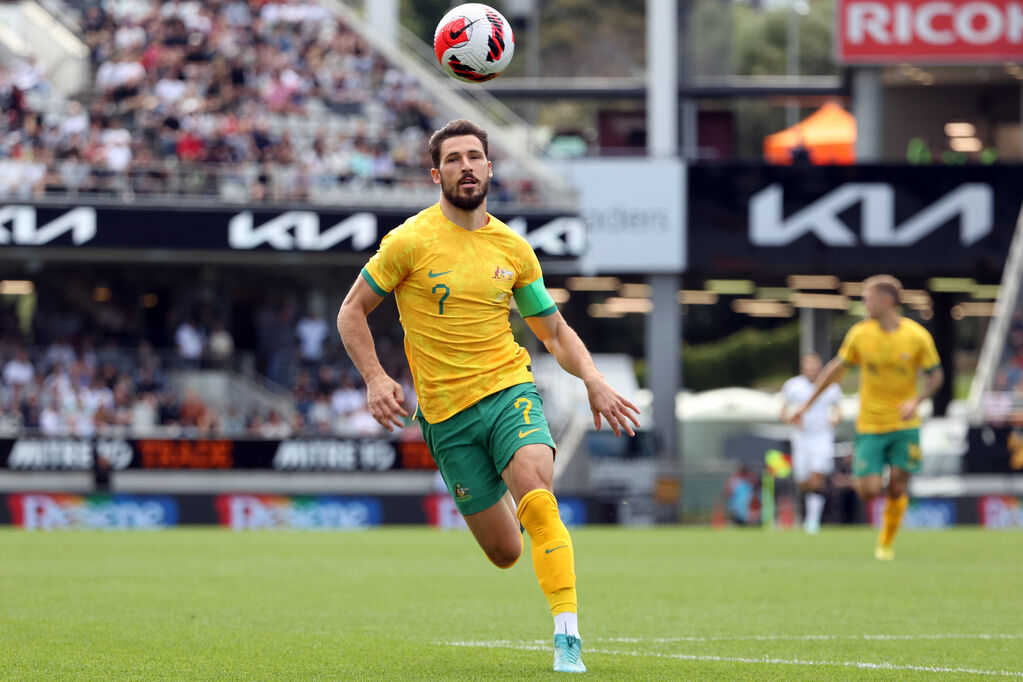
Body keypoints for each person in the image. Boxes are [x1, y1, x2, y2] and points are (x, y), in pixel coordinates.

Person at [337, 119, 640, 674]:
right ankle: (513, 503)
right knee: (506, 552)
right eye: (454, 159)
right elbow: (350, 311)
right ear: (436, 174)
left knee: (538, 494)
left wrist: (592, 378)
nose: (467, 166)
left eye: (475, 156)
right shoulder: (409, 241)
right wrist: (377, 378)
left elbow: (552, 330)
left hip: (509, 391)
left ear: (491, 167)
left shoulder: (514, 249)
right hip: (446, 419)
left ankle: (567, 637)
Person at [791, 275, 943, 560]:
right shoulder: (860, 335)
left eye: (867, 298)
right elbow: (835, 370)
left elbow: (936, 376)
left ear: (886, 301)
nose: (864, 303)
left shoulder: (916, 336)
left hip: (905, 424)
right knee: (870, 491)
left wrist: (918, 400)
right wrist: (807, 405)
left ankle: (885, 542)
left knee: (898, 484)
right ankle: (884, 492)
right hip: (871, 425)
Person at [780, 352, 842, 534]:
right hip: (801, 437)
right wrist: (791, 419)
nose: (812, 370)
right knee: (803, 480)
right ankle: (807, 512)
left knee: (817, 476)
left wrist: (834, 419)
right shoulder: (793, 386)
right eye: (809, 366)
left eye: (815, 366)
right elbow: (783, 410)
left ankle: (812, 521)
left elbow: (838, 410)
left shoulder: (831, 386)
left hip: (822, 437)